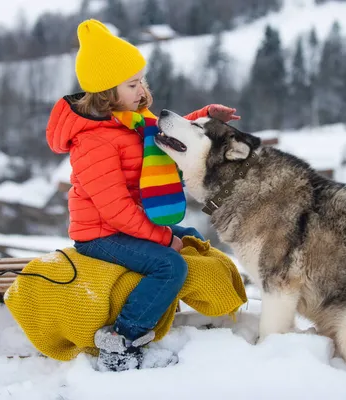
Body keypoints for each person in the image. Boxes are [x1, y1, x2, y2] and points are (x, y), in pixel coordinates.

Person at [45, 19, 240, 372]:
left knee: (192, 238)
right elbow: (116, 209)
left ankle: (186, 312)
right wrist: (164, 239)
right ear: (106, 91)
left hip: (127, 224)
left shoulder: (130, 119)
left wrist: (206, 118)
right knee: (169, 265)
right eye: (132, 84)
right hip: (101, 234)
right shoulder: (93, 141)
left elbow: (159, 137)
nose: (141, 89)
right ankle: (122, 340)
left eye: (141, 81)